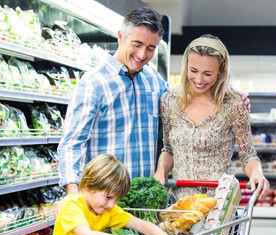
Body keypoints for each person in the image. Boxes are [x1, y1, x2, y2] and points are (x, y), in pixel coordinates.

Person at [57, 7, 250, 196]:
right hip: (104, 197)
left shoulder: (154, 81)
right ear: (121, 37)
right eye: (137, 44)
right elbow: (72, 145)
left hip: (144, 199)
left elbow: (193, 94)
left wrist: (231, 95)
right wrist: (73, 194)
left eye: (150, 48)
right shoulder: (92, 84)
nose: (142, 55)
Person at [153, 34, 270, 199]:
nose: (199, 80)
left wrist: (257, 173)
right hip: (180, 206)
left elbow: (248, 155)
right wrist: (161, 172)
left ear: (221, 72)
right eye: (193, 71)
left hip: (217, 205)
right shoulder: (169, 101)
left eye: (207, 74)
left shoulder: (233, 105)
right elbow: (169, 149)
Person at [50, 153, 172, 235]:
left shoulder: (108, 209)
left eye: (116, 199)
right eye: (108, 197)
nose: (112, 204)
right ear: (88, 186)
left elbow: (140, 224)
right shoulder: (72, 205)